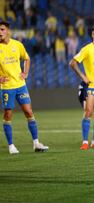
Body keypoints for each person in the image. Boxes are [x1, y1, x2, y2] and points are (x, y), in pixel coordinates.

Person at [0, 21, 49, 154]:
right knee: (8, 113)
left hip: (21, 85)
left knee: (28, 111)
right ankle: (11, 145)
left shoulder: (17, 45)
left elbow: (27, 59)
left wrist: (25, 73)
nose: (0, 32)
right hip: (7, 86)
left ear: (8, 30)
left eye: (2, 29)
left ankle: (36, 143)